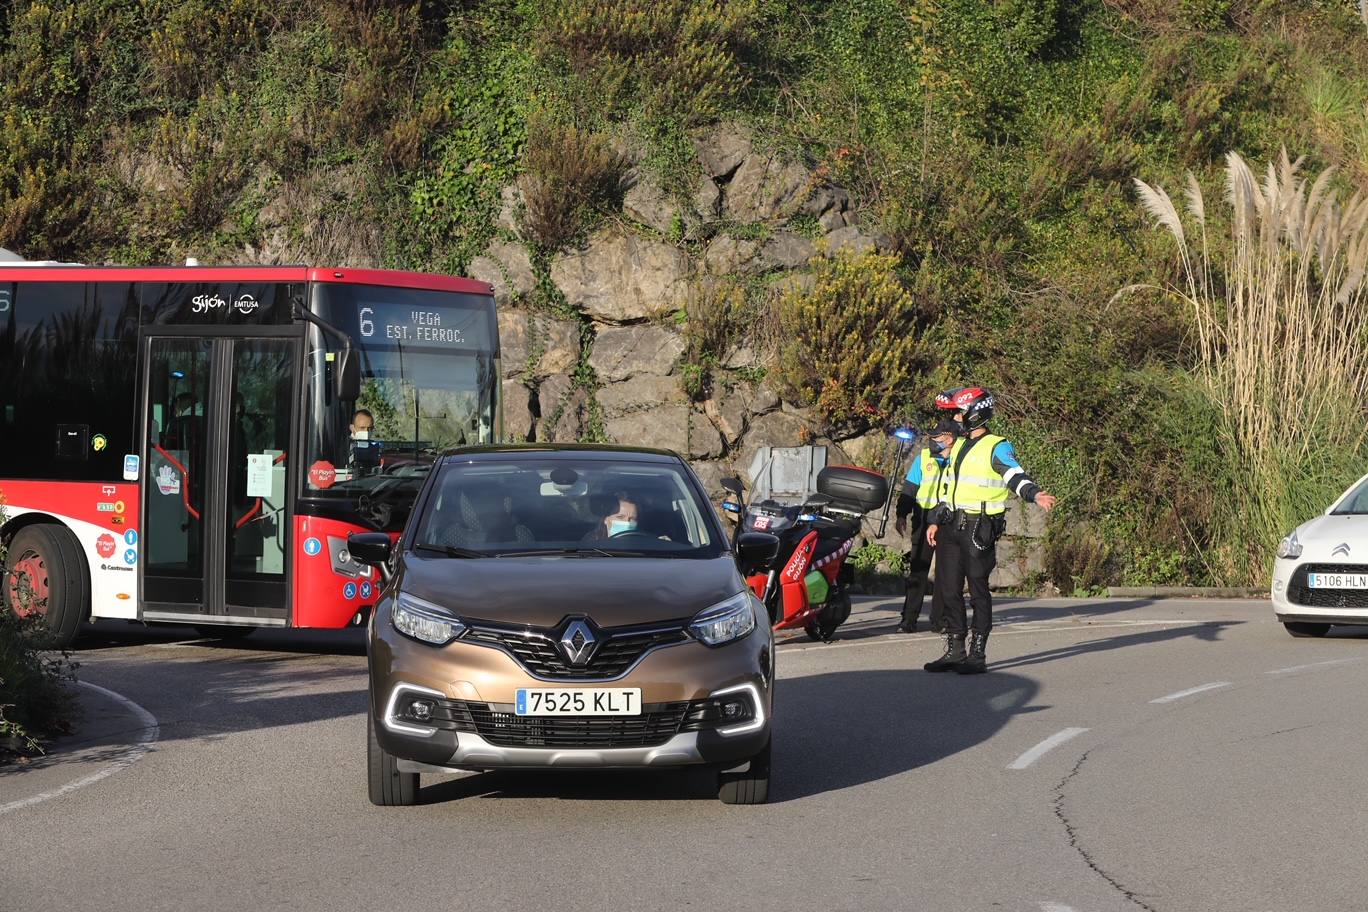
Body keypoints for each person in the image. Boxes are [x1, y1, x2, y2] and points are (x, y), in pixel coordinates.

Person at [924, 387, 1057, 674]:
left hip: (978, 528)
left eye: (961, 412)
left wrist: (1035, 494)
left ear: (976, 413)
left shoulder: (997, 445)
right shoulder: (958, 445)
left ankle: (977, 653)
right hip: (951, 524)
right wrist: (935, 519)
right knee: (948, 590)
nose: (956, 417)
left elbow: (1014, 475)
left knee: (978, 591)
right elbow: (947, 486)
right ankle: (955, 650)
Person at [893, 417, 960, 633]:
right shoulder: (923, 458)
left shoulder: (960, 458)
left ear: (950, 438)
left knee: (944, 572)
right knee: (918, 570)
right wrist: (901, 514)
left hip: (948, 519)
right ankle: (908, 619)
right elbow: (910, 488)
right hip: (923, 518)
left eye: (937, 437)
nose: (932, 441)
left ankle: (939, 620)